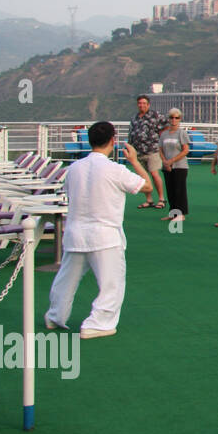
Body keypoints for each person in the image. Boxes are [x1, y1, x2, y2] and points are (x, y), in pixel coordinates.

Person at [44, 121, 151, 339]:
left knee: (65, 280)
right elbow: (147, 186)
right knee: (111, 284)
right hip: (105, 237)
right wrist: (134, 161)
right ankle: (97, 323)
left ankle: (55, 316)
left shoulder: (73, 169)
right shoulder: (116, 170)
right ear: (113, 141)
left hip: (75, 234)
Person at [128, 95, 166, 209]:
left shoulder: (155, 115)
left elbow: (165, 126)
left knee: (154, 174)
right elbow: (131, 133)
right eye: (140, 103)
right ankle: (149, 200)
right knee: (144, 177)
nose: (142, 105)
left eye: (144, 103)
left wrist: (160, 140)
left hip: (152, 150)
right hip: (138, 151)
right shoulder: (134, 118)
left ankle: (161, 199)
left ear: (148, 105)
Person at [158, 108, 191, 222]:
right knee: (170, 190)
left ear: (180, 119)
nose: (174, 120)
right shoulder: (164, 134)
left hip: (180, 166)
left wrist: (172, 160)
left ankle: (181, 214)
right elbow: (160, 149)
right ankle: (173, 213)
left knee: (179, 190)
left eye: (176, 118)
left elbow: (185, 150)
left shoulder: (182, 133)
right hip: (167, 166)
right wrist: (165, 161)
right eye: (171, 117)